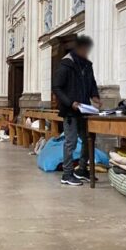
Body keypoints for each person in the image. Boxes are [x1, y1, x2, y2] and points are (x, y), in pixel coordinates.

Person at [52, 35, 102, 186]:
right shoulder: (66, 65)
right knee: (71, 142)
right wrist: (70, 102)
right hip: (70, 111)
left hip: (84, 110)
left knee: (88, 139)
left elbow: (91, 83)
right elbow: (57, 88)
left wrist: (95, 96)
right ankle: (67, 174)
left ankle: (81, 170)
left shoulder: (86, 65)